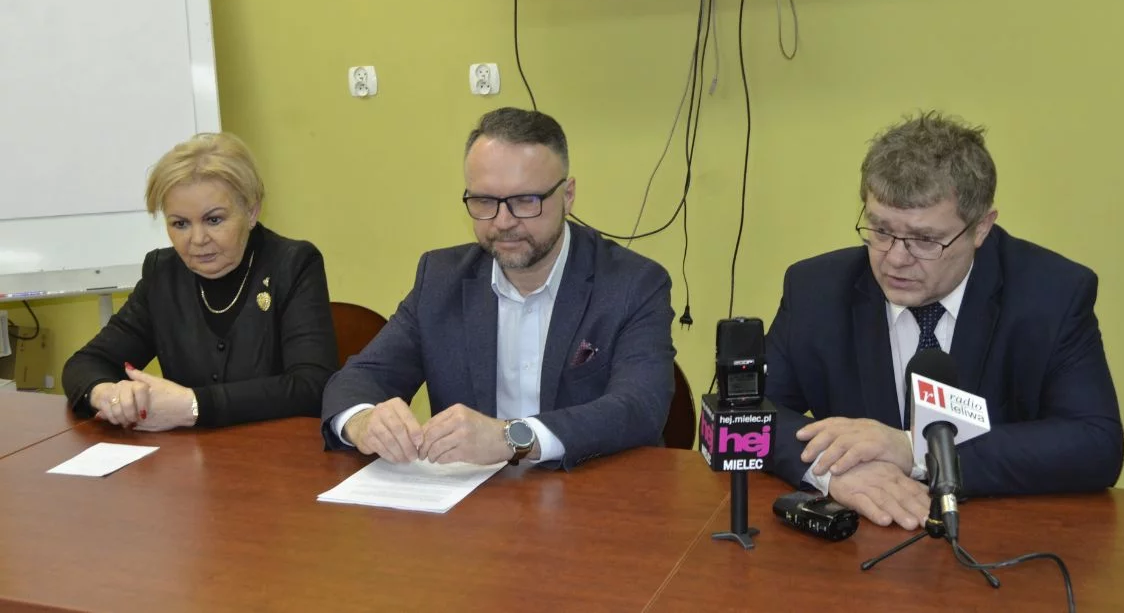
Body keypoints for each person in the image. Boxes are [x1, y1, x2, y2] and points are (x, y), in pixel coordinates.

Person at [765, 112, 1124, 530]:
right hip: (858, 540)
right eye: (881, 230)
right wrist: (832, 471)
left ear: (981, 228)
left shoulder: (1052, 295)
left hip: (999, 539)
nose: (896, 259)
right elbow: (737, 417)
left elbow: (1095, 444)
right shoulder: (816, 290)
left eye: (925, 240)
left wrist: (915, 451)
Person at [321, 107, 675, 469]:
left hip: (591, 488)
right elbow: (359, 378)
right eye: (485, 201)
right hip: (473, 495)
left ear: (568, 195)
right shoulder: (440, 279)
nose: (503, 222)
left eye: (525, 201)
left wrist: (512, 438)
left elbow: (639, 407)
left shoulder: (633, 283)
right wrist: (362, 421)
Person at [63, 133, 338, 430]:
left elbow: (311, 385)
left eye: (214, 220)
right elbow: (86, 363)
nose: (197, 239)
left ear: (251, 211)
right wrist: (107, 394)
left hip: (275, 449)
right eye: (180, 224)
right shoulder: (163, 274)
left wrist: (194, 405)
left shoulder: (293, 264)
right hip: (189, 453)